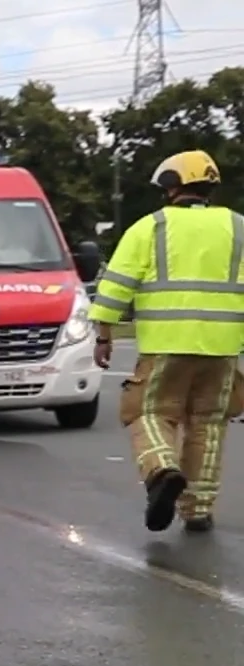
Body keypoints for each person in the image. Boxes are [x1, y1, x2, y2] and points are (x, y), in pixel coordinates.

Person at [87, 149, 244, 533]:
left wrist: (104, 334)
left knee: (149, 413)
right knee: (208, 424)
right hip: (222, 348)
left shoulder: (151, 228)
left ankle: (161, 471)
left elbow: (114, 288)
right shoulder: (239, 228)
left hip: (166, 347)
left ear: (172, 186)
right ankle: (199, 510)